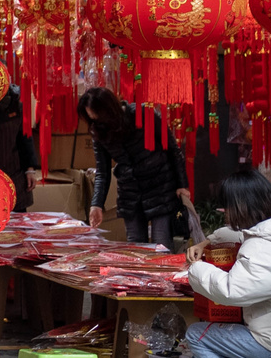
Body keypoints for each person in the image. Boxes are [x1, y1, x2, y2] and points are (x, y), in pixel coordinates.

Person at [183, 168, 271, 358]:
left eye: (225, 208)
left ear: (240, 206)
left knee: (197, 335)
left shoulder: (265, 249)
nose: (223, 213)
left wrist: (196, 269)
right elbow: (241, 235)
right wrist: (206, 244)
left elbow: (232, 291)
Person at [79, 87, 191, 245]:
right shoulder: (97, 131)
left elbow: (172, 149)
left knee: (161, 246)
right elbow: (102, 172)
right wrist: (96, 204)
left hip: (160, 188)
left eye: (99, 118)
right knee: (136, 249)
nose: (97, 123)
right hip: (130, 194)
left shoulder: (144, 113)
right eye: (92, 119)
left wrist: (182, 185)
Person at [0, 87, 40, 212]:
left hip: (15, 172)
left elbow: (25, 137)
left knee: (19, 225)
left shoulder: (17, 100)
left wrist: (30, 169)